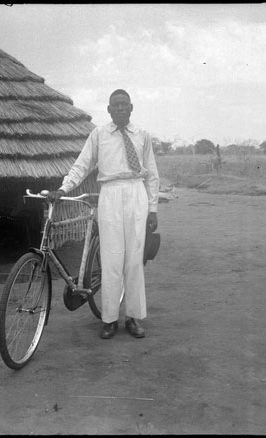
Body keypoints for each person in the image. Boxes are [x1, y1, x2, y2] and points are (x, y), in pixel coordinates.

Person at [48, 89, 159, 339]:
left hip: (136, 194)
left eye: (124, 105)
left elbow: (151, 173)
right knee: (110, 260)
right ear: (108, 110)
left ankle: (133, 318)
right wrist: (63, 187)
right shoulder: (98, 135)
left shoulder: (143, 136)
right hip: (109, 193)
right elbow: (82, 165)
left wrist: (153, 208)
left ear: (131, 108)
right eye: (115, 105)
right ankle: (109, 319)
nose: (120, 108)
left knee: (134, 260)